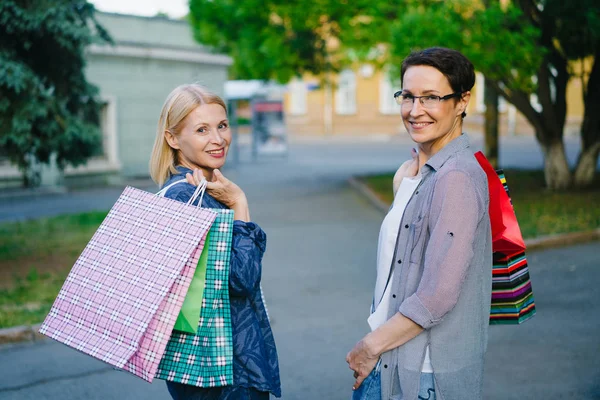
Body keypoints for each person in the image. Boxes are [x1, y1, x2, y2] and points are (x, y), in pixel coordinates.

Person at [346, 47, 492, 400]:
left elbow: (436, 296)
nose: (414, 110)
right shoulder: (418, 173)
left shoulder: (455, 177)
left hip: (423, 372)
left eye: (431, 98)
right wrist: (403, 191)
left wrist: (369, 346)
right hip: (393, 359)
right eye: (408, 96)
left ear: (462, 101)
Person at [149, 83, 281, 400]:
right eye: (202, 130)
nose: (218, 139)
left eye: (222, 125)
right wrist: (240, 205)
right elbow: (241, 279)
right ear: (172, 138)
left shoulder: (186, 191)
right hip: (223, 372)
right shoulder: (188, 198)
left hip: (208, 368)